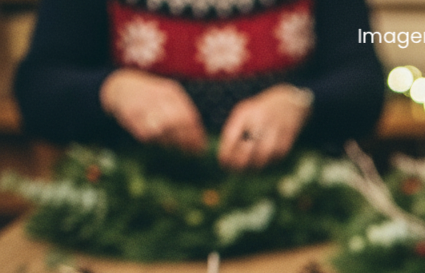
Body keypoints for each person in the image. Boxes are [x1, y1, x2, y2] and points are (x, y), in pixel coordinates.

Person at [14, 0, 385, 171]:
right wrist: (113, 89)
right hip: (129, 211)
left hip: (299, 204)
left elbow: (364, 84)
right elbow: (36, 89)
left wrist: (300, 102)